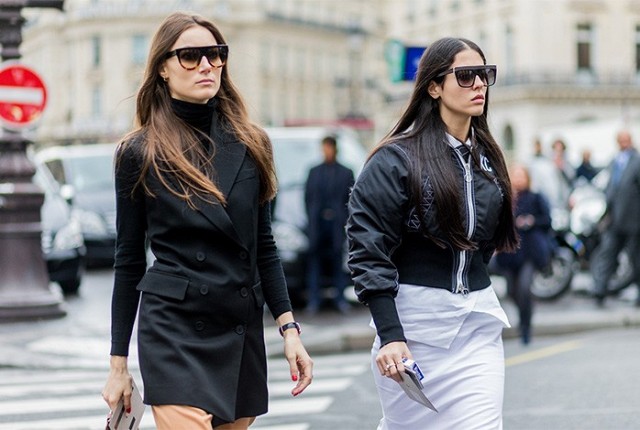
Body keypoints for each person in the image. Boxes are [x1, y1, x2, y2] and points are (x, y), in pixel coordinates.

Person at [101, 12, 312, 429]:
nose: (206, 65)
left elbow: (262, 246)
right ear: (163, 67)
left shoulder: (253, 143)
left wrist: (289, 329)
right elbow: (128, 260)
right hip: (174, 327)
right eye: (190, 56)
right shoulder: (139, 153)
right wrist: (118, 365)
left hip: (236, 324)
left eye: (216, 55)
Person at [346, 37, 518, 429]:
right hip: (412, 329)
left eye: (485, 75)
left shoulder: (487, 158)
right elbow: (368, 250)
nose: (479, 85)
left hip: (476, 323)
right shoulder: (395, 159)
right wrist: (390, 334)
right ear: (434, 86)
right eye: (466, 75)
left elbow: (485, 245)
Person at [492, 164, 553, 345]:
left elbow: (548, 221)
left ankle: (526, 326)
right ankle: (524, 315)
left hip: (529, 251)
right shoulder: (505, 199)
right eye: (516, 176)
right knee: (512, 291)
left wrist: (531, 221)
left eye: (522, 176)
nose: (519, 179)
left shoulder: (536, 198)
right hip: (510, 253)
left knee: (524, 288)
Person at [304, 136, 355, 314]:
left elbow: (350, 200)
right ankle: (314, 300)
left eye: (328, 147)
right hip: (317, 225)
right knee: (315, 263)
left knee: (336, 262)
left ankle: (340, 299)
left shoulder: (346, 172)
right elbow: (308, 198)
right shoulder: (314, 172)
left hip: (336, 225)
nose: (325, 151)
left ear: (334, 148)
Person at [591, 130, 640, 308]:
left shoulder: (637, 160)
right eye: (620, 140)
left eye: (626, 140)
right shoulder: (614, 161)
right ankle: (599, 291)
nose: (623, 143)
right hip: (614, 220)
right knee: (607, 254)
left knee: (636, 259)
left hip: (634, 221)